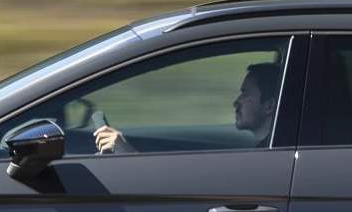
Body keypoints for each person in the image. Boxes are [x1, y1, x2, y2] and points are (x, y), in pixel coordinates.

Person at [94, 60, 279, 155]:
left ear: (269, 105)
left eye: (246, 94)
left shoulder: (269, 159)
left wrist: (129, 156)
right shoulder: (266, 151)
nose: (236, 102)